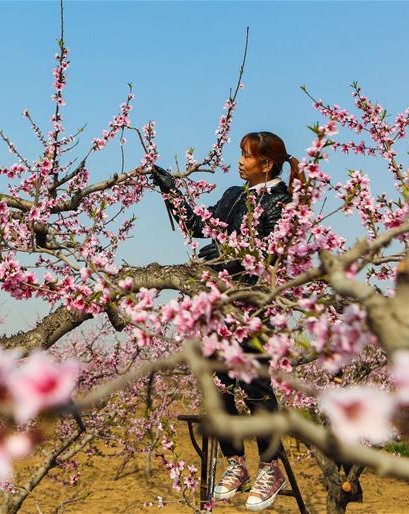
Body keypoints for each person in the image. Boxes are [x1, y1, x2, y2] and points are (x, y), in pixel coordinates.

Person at [152, 131, 300, 511]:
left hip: (251, 308)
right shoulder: (235, 195)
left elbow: (266, 255)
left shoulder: (282, 203)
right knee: (216, 383)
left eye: (246, 156)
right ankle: (237, 463)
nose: (239, 161)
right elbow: (198, 226)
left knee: (254, 385)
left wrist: (225, 250)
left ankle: (272, 467)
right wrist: (171, 190)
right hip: (217, 303)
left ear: (266, 164)